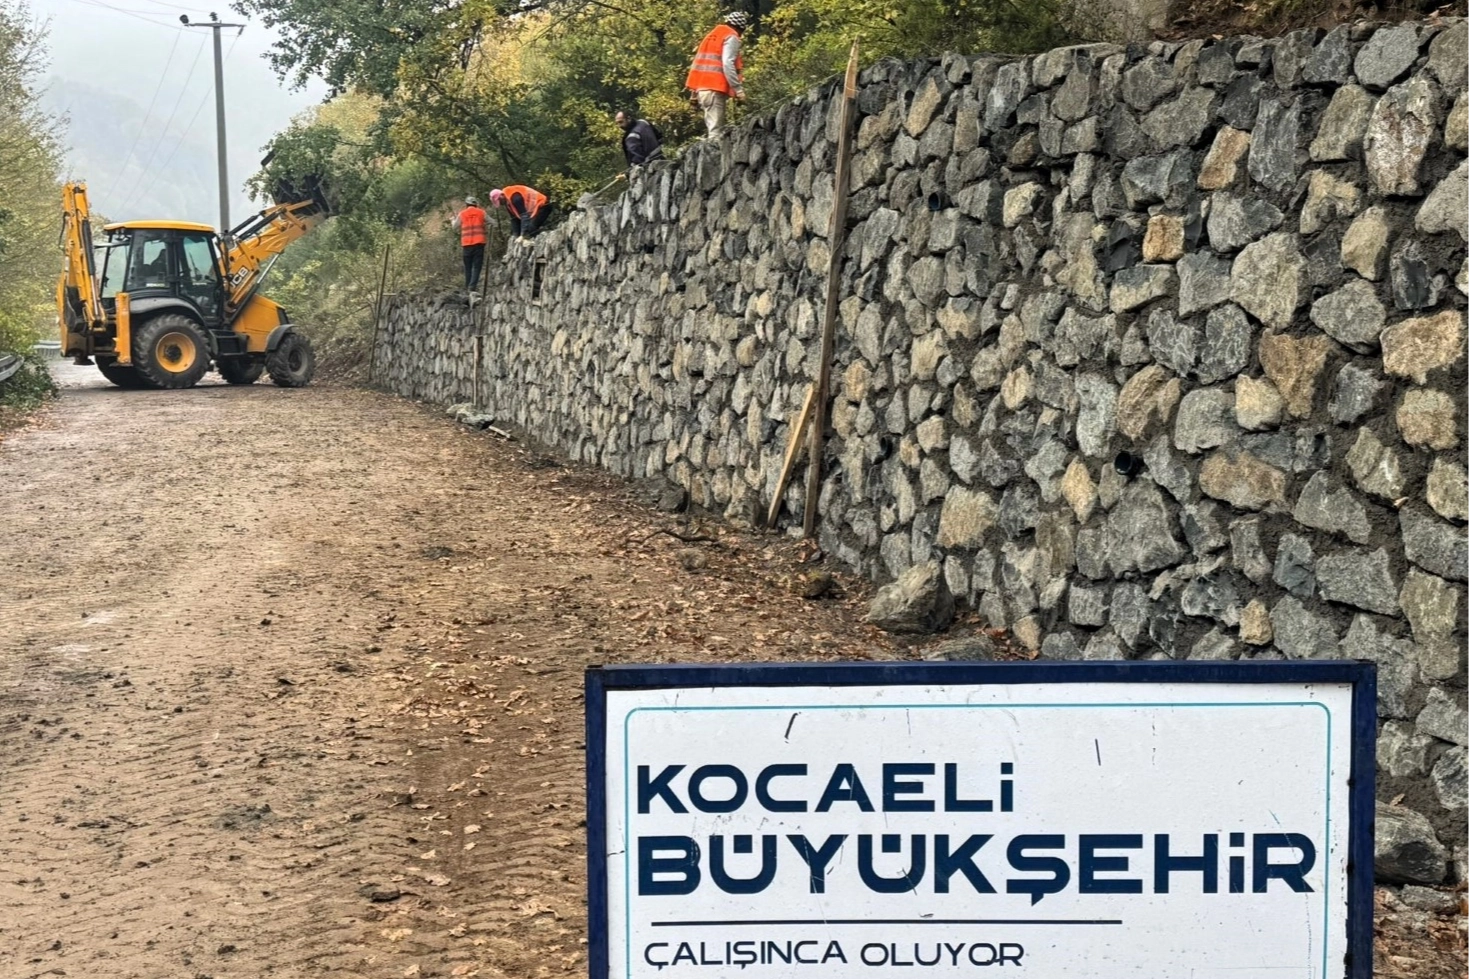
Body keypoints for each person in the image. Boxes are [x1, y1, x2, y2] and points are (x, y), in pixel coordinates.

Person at [686, 11, 748, 136]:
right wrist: (738, 90)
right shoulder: (731, 36)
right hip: (714, 90)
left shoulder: (712, 36)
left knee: (713, 129)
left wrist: (693, 94)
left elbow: (698, 65)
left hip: (703, 90)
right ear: (739, 28)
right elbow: (727, 63)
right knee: (716, 133)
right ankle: (714, 150)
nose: (740, 35)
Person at [450, 195, 488, 295]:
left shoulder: (462, 214)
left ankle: (468, 287)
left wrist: (452, 220)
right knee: (477, 267)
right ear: (476, 204)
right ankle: (472, 287)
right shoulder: (481, 212)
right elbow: (493, 222)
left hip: (466, 244)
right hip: (479, 243)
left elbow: (454, 226)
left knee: (468, 267)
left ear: (466, 204)